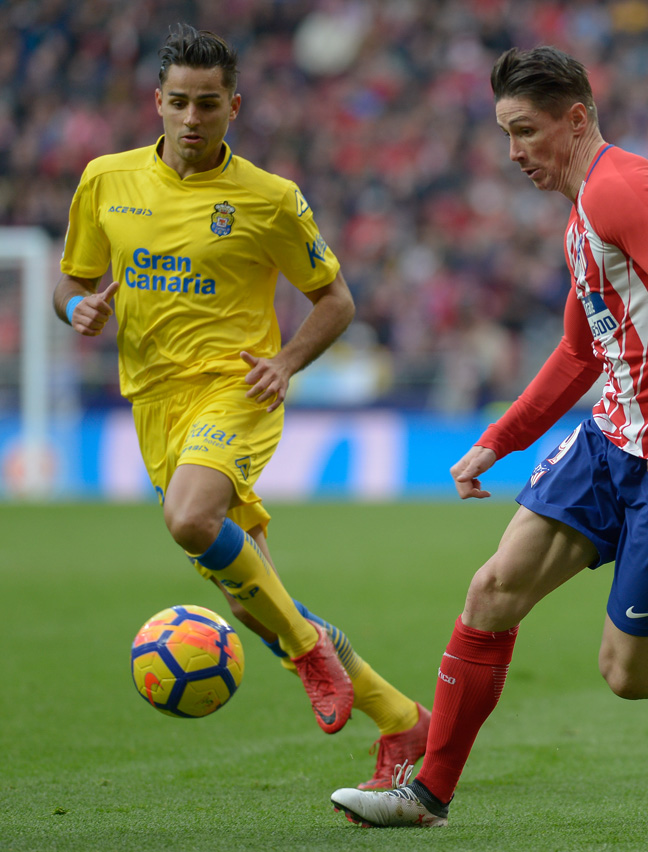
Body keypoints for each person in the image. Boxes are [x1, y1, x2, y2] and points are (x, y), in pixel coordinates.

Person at [330, 45, 648, 829]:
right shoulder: (582, 213)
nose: (514, 152)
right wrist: (498, 441)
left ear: (576, 120)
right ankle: (426, 795)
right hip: (610, 442)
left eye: (526, 131)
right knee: (492, 591)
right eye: (506, 133)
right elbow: (580, 353)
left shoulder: (620, 189)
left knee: (631, 674)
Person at [54, 23, 430, 790]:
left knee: (191, 519)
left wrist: (286, 363)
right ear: (157, 102)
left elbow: (336, 299)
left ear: (235, 107)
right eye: (180, 103)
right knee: (257, 598)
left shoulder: (269, 199)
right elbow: (72, 280)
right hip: (154, 405)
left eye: (208, 104)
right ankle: (400, 718)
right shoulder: (105, 180)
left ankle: (308, 653)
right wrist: (76, 310)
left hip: (239, 388)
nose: (192, 118)